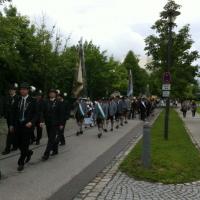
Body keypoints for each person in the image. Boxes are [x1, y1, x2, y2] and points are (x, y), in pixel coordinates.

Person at [10, 83, 37, 171]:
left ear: (28, 90)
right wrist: (11, 124)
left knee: (25, 144)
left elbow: (36, 114)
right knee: (17, 144)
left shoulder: (32, 100)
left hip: (27, 126)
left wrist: (31, 122)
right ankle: (28, 153)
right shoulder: (17, 100)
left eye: (24, 89)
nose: (22, 90)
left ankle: (21, 163)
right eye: (21, 89)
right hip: (18, 125)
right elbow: (13, 113)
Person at [41, 89, 65, 161]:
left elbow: (61, 114)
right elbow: (42, 112)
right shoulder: (45, 102)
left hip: (56, 123)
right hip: (48, 123)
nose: (51, 94)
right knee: (50, 138)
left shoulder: (59, 102)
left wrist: (61, 123)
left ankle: (46, 154)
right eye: (50, 93)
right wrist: (42, 121)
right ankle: (55, 150)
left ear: (55, 94)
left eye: (53, 93)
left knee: (51, 138)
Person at [2, 85, 19, 155]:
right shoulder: (7, 98)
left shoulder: (18, 98)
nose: (11, 91)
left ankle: (7, 149)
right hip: (9, 118)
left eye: (12, 90)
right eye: (10, 90)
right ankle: (15, 146)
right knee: (12, 132)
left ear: (15, 91)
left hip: (16, 119)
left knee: (10, 133)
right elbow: (5, 107)